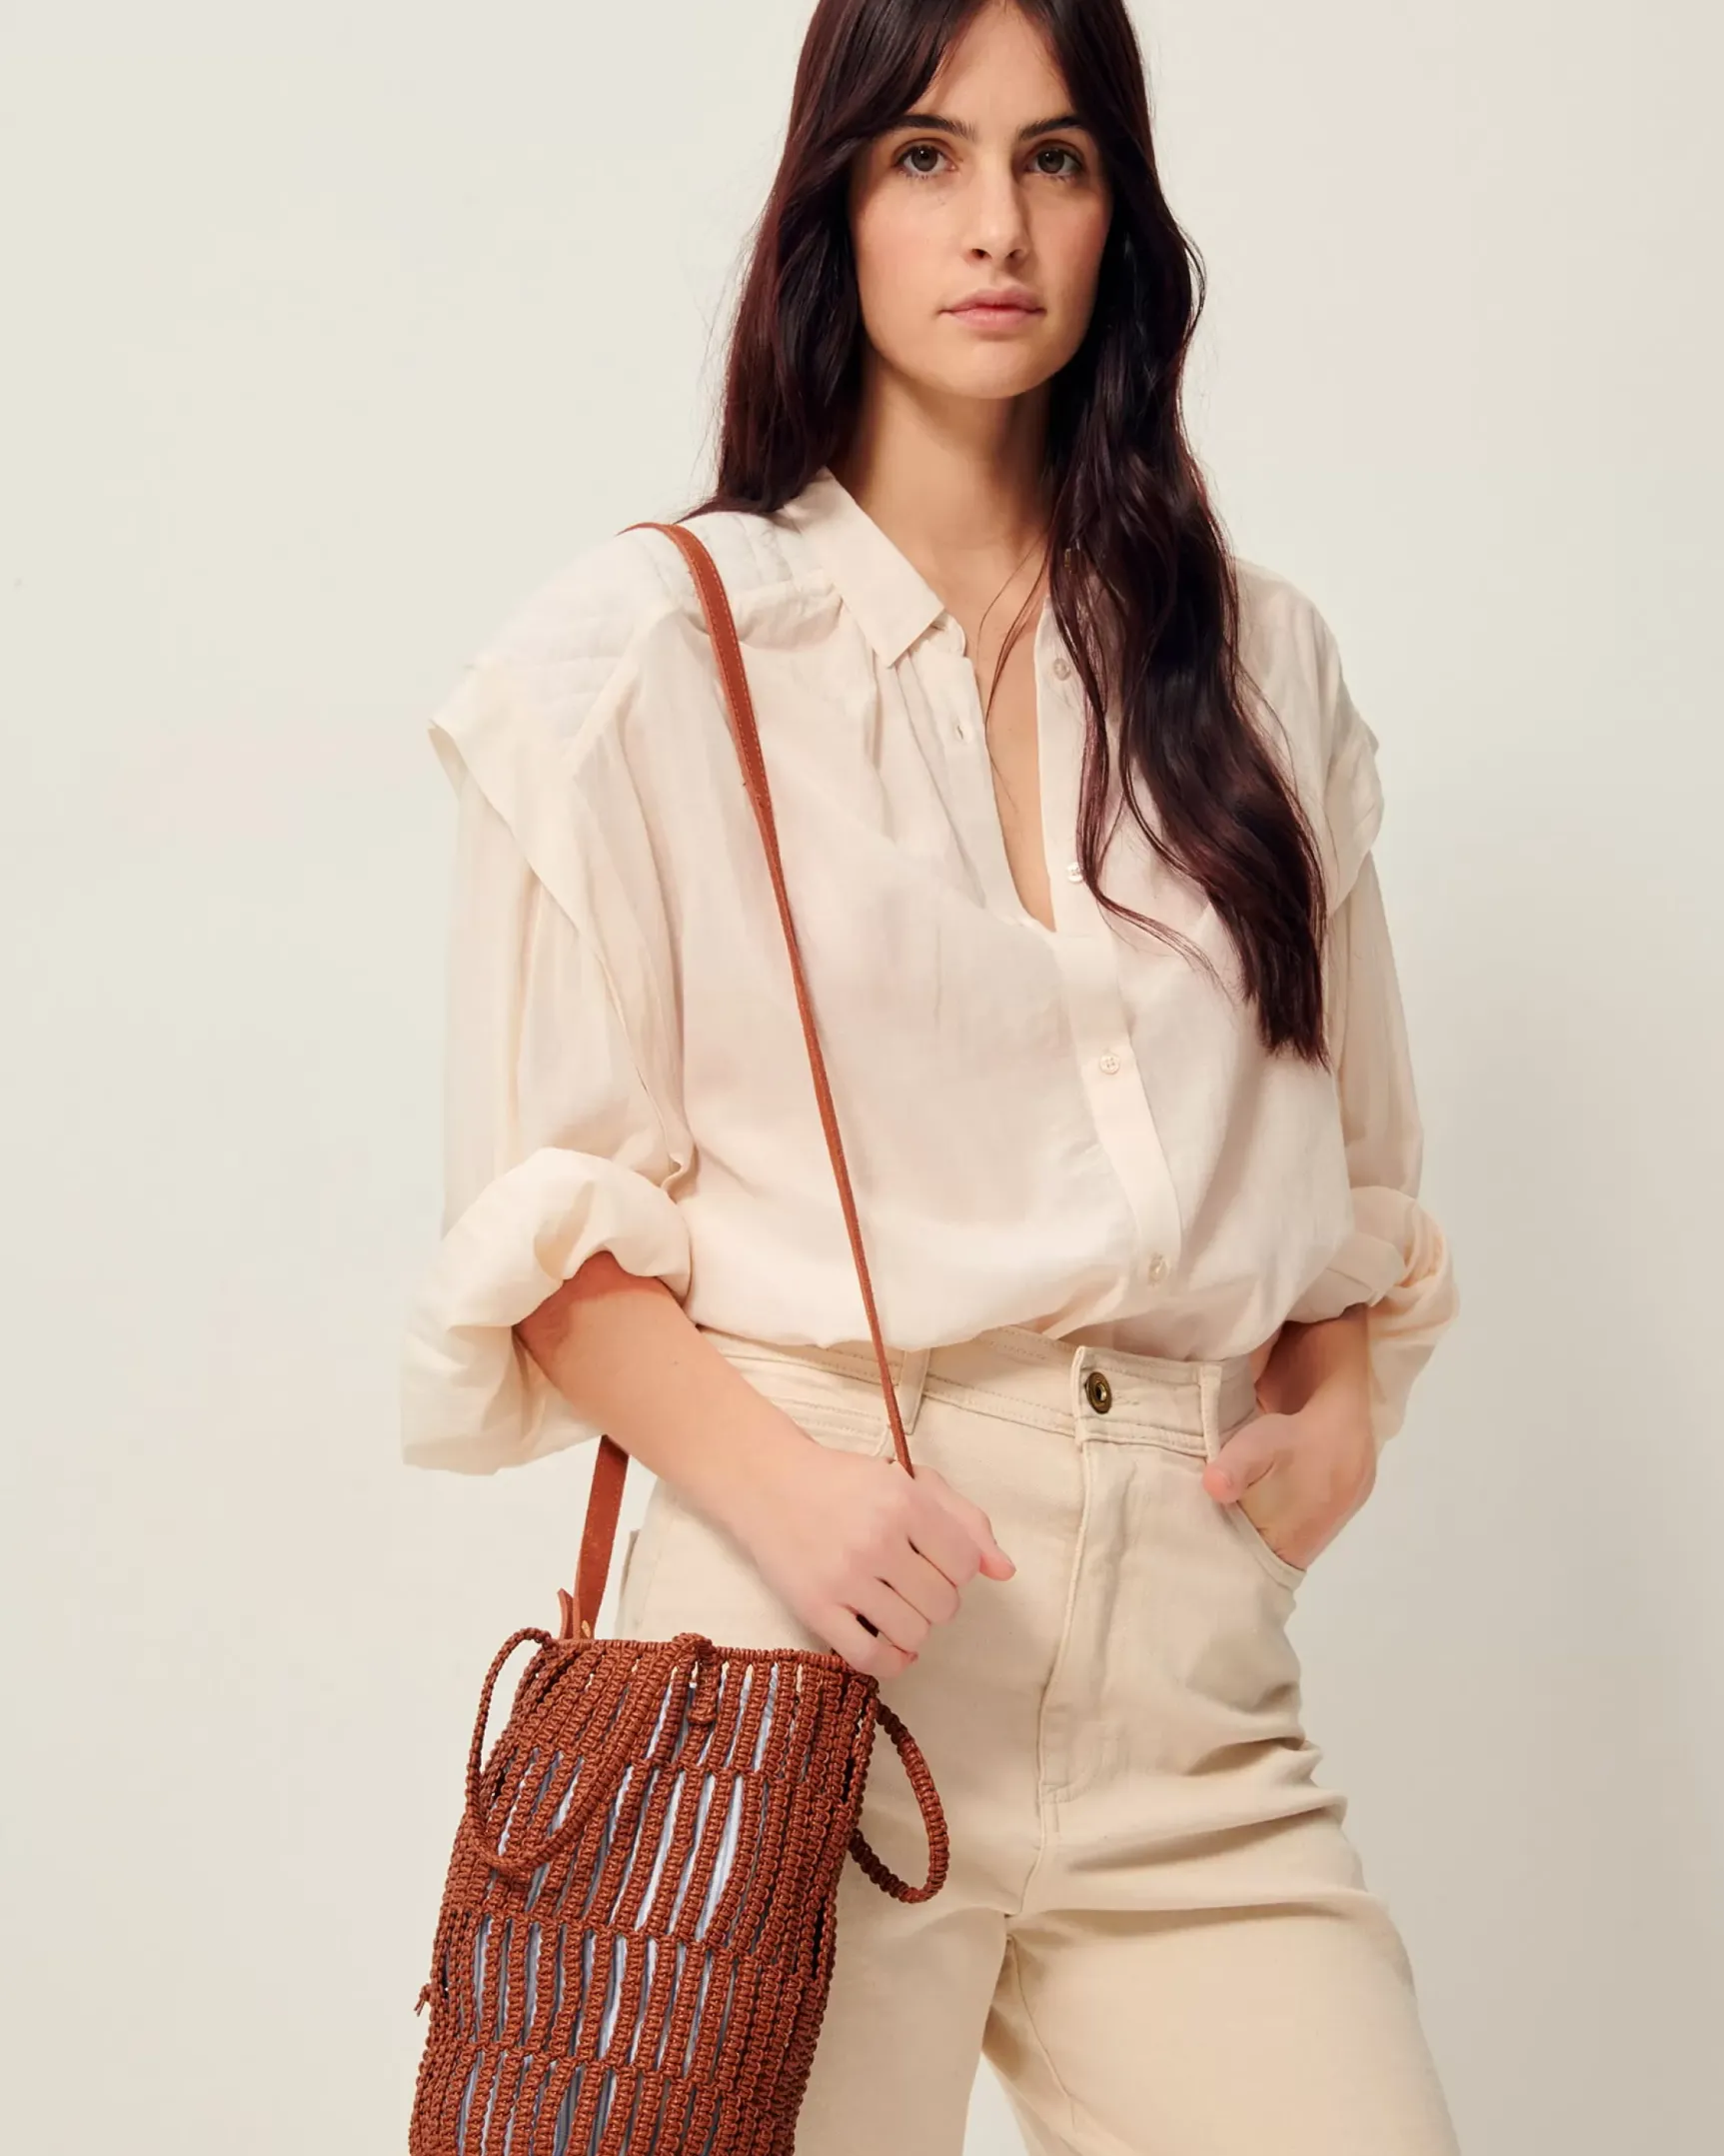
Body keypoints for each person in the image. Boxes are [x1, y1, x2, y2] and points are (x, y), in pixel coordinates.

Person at [400, 1, 1463, 2149]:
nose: (998, 225)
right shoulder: (646, 659)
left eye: (1056, 159)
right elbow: (545, 1231)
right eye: (926, 157)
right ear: (837, 205)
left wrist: (1338, 1396)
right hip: (801, 1644)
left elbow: (1348, 1159)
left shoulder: (1262, 666)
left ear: (1118, 214)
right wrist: (792, 1501)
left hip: (1187, 1694)